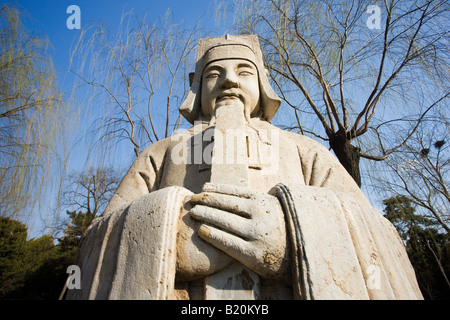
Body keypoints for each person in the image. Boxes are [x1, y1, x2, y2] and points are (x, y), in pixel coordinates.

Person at [67, 35, 423, 300]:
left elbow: (378, 236)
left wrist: (296, 238)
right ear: (196, 87)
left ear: (262, 83)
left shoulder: (303, 150)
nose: (228, 81)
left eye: (243, 71)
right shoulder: (162, 152)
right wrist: (163, 240)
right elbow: (95, 241)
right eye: (213, 74)